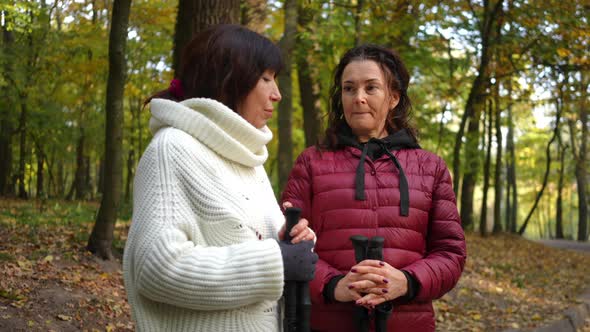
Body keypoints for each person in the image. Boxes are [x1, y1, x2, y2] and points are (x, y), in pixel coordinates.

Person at [123, 24, 318, 332]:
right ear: (229, 78)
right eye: (266, 78)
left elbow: (247, 240)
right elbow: (155, 269)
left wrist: (289, 239)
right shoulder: (172, 149)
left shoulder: (246, 160)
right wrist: (275, 262)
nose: (277, 94)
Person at [281, 44, 467, 332]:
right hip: (328, 324)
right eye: (349, 88)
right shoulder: (311, 162)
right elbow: (290, 244)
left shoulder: (431, 168)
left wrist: (407, 281)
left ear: (393, 97)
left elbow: (451, 253)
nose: (359, 98)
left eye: (371, 88)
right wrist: (334, 285)